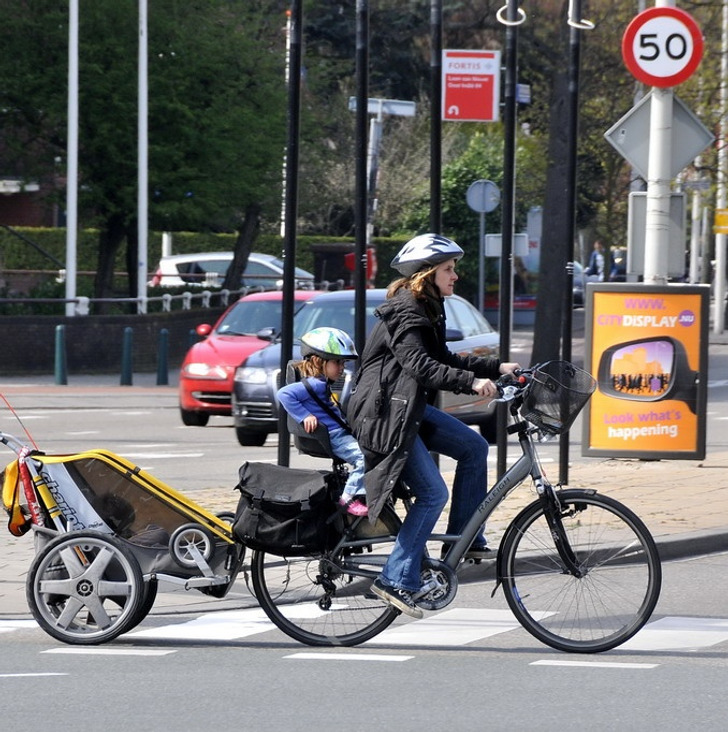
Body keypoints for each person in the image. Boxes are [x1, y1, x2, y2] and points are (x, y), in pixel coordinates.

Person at [346, 233, 521, 618]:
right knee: (432, 495)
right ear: (427, 274)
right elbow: (420, 366)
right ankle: (395, 579)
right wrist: (471, 383)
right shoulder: (406, 311)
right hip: (384, 416)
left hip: (406, 407)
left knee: (474, 448)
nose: (455, 275)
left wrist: (495, 367)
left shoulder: (427, 307)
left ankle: (464, 537)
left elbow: (440, 355)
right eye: (448, 269)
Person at [277, 327, 368, 516]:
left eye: (343, 363)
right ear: (319, 360)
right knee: (365, 457)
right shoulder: (315, 384)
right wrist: (304, 416)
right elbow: (283, 394)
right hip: (335, 436)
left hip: (338, 433)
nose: (342, 367)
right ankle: (349, 497)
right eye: (337, 362)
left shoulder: (320, 383)